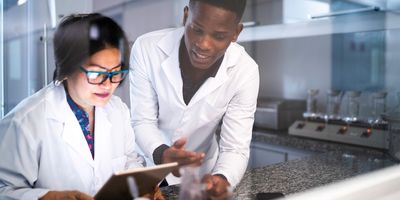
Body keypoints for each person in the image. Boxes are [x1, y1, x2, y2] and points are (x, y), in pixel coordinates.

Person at [0, 13, 148, 200]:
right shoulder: (24, 121)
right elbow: (4, 190)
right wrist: (50, 197)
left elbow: (129, 161)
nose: (108, 85)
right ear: (67, 67)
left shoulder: (118, 110)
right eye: (96, 73)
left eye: (116, 73)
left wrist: (140, 185)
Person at [129, 0, 259, 198]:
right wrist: (163, 154)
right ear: (185, 16)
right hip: (149, 163)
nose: (203, 44)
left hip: (201, 176)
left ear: (236, 33)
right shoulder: (147, 48)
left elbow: (235, 148)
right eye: (197, 30)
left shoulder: (245, 71)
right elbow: (142, 121)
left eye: (219, 36)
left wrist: (222, 179)